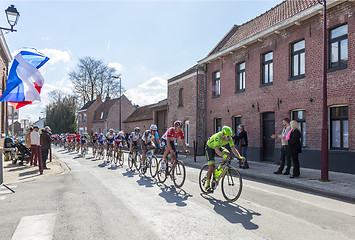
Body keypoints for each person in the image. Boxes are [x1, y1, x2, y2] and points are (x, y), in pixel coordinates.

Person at [204, 126, 244, 193]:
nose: (229, 138)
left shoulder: (229, 138)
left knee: (228, 154)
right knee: (211, 167)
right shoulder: (218, 137)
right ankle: (207, 186)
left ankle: (218, 170)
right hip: (210, 148)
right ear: (223, 135)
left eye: (230, 136)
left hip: (218, 146)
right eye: (228, 137)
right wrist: (223, 156)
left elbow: (233, 149)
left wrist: (240, 157)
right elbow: (216, 150)